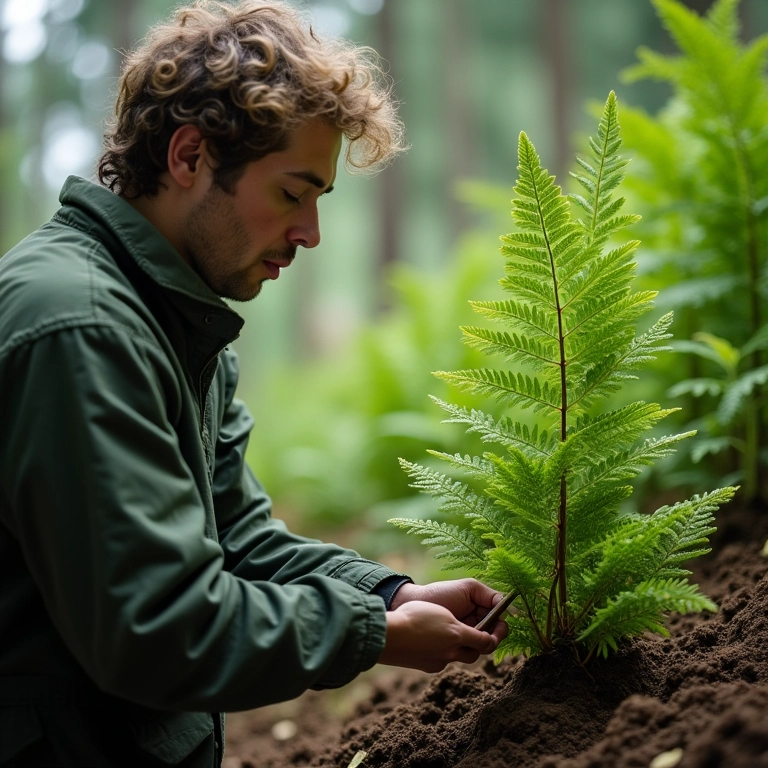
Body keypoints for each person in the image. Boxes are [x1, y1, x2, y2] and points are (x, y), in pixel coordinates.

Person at [0, 2, 508, 766]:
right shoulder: (83, 327)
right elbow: (159, 628)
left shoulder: (175, 316)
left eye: (319, 200)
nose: (310, 233)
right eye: (291, 193)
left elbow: (234, 540)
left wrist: (386, 595)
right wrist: (374, 637)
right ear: (189, 155)